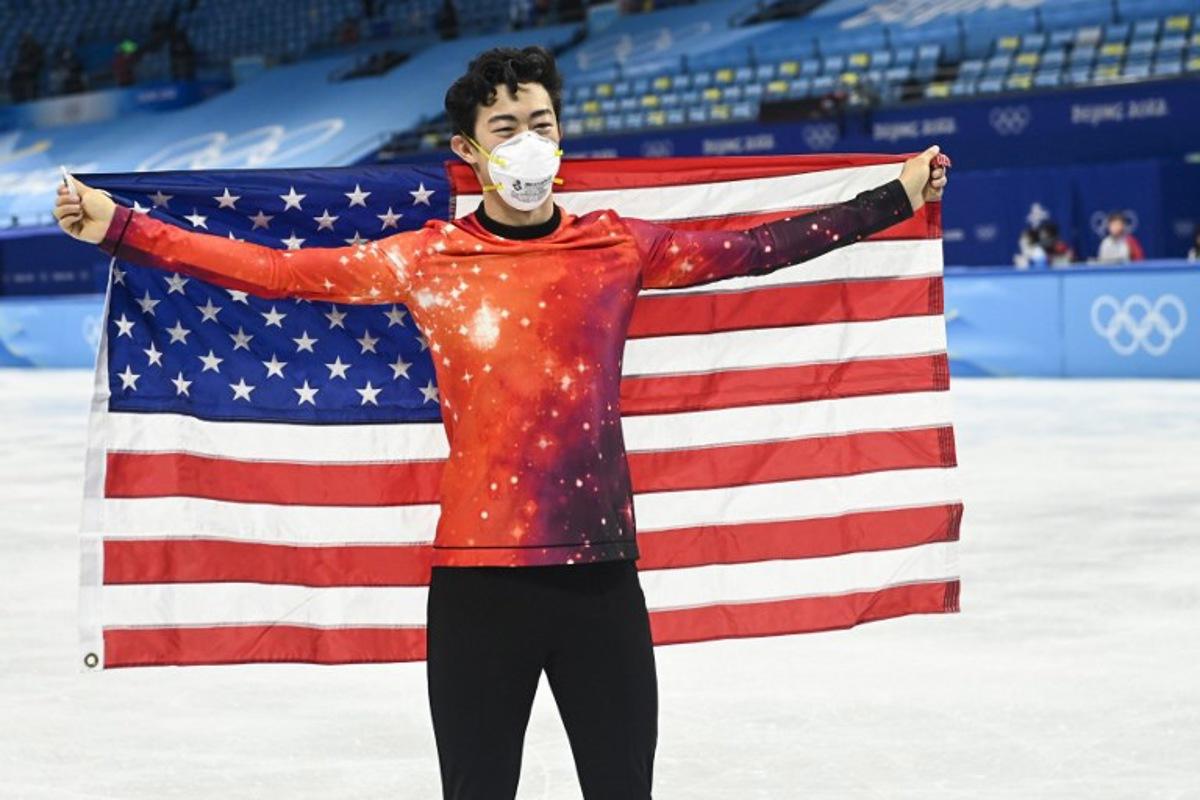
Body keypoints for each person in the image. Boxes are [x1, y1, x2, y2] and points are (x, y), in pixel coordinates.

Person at [52, 45, 947, 800]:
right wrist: (126, 228)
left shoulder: (617, 245)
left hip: (601, 582)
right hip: (478, 592)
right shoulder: (427, 259)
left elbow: (759, 248)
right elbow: (281, 274)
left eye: (543, 124)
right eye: (506, 129)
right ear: (467, 152)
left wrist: (892, 202)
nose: (529, 143)